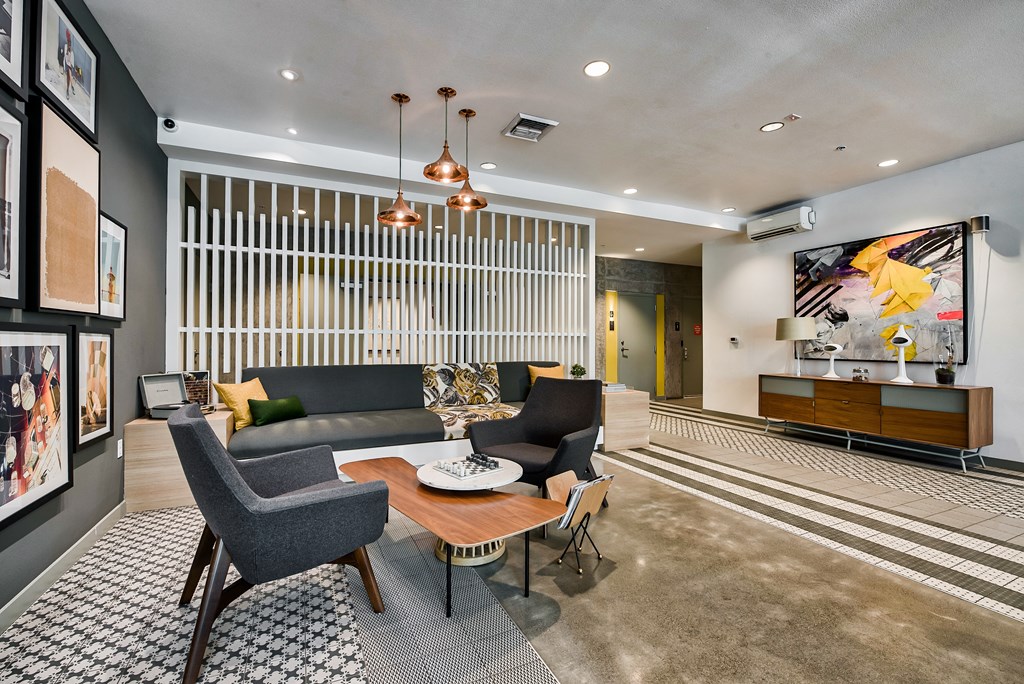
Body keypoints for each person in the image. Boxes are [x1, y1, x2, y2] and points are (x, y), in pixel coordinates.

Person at [63, 29, 75, 99]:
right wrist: (67, 52)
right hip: (66, 64)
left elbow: (71, 61)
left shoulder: (72, 52)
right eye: (68, 43)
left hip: (69, 65)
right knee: (69, 76)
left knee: (68, 77)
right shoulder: (65, 47)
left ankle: (68, 90)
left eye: (70, 44)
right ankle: (72, 87)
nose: (69, 45)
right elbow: (65, 58)